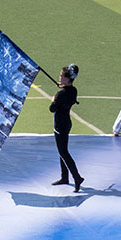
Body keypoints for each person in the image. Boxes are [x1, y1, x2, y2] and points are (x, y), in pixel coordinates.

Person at [50, 64, 84, 192]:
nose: (59, 77)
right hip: (67, 123)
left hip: (60, 124)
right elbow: (67, 94)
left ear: (67, 78)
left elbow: (52, 108)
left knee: (63, 152)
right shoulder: (73, 91)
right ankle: (64, 177)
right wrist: (62, 89)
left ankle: (77, 177)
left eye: (61, 76)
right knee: (62, 151)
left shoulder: (60, 94)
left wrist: (54, 99)